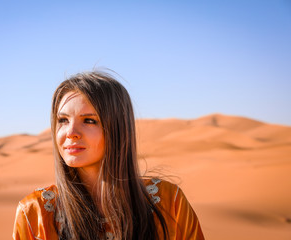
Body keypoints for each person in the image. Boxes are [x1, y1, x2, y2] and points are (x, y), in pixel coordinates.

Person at [12, 70, 205, 240]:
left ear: (118, 129)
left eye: (89, 120)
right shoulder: (34, 213)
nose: (71, 132)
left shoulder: (169, 202)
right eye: (62, 120)